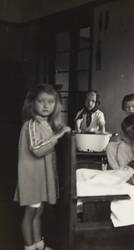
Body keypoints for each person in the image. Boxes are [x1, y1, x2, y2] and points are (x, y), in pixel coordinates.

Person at [14, 84, 71, 250]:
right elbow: (37, 150)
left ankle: (39, 243)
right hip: (32, 178)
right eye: (41, 101)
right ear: (32, 104)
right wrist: (58, 136)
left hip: (41, 178)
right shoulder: (31, 124)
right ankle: (29, 246)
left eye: (51, 101)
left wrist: (58, 131)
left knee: (39, 213)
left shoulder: (45, 124)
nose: (46, 106)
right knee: (30, 214)